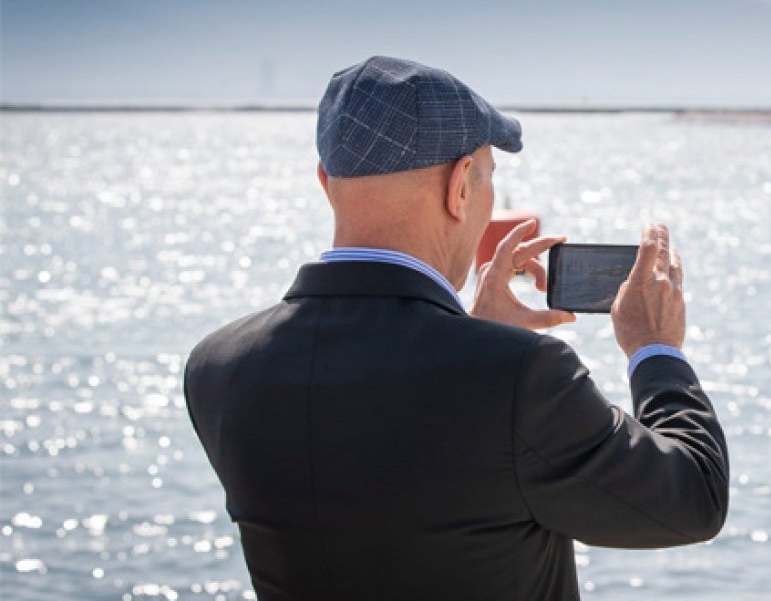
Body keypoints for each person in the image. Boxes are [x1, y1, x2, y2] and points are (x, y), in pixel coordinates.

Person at [184, 56, 730, 600]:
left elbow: (383, 464)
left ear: (327, 183)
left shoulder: (218, 367)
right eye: (489, 177)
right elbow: (692, 500)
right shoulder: (521, 377)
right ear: (461, 186)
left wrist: (470, 334)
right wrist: (654, 349)